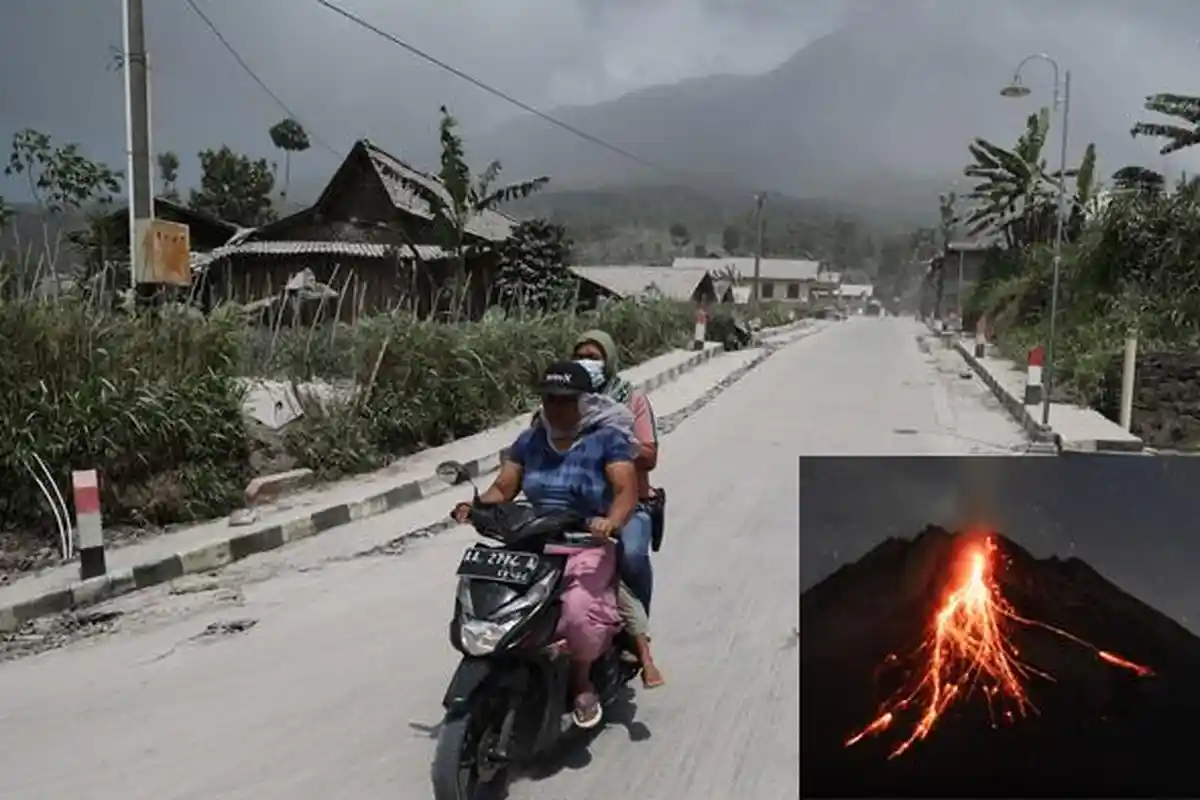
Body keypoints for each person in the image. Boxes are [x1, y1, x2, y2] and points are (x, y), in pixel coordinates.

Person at [452, 360, 638, 729]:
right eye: (550, 398)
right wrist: (476, 508)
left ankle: (582, 680)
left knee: (578, 610)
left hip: (584, 541)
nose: (556, 407)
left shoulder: (607, 440)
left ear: (584, 401)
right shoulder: (531, 440)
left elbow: (625, 490)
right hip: (531, 538)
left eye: (566, 399)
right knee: (493, 595)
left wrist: (610, 522)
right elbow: (505, 487)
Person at [571, 330, 665, 689]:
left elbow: (650, 455)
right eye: (580, 355)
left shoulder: (631, 399)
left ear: (608, 360)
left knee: (633, 555)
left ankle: (634, 632)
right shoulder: (566, 398)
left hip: (630, 502)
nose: (587, 363)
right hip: (578, 501)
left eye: (594, 356)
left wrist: (610, 440)